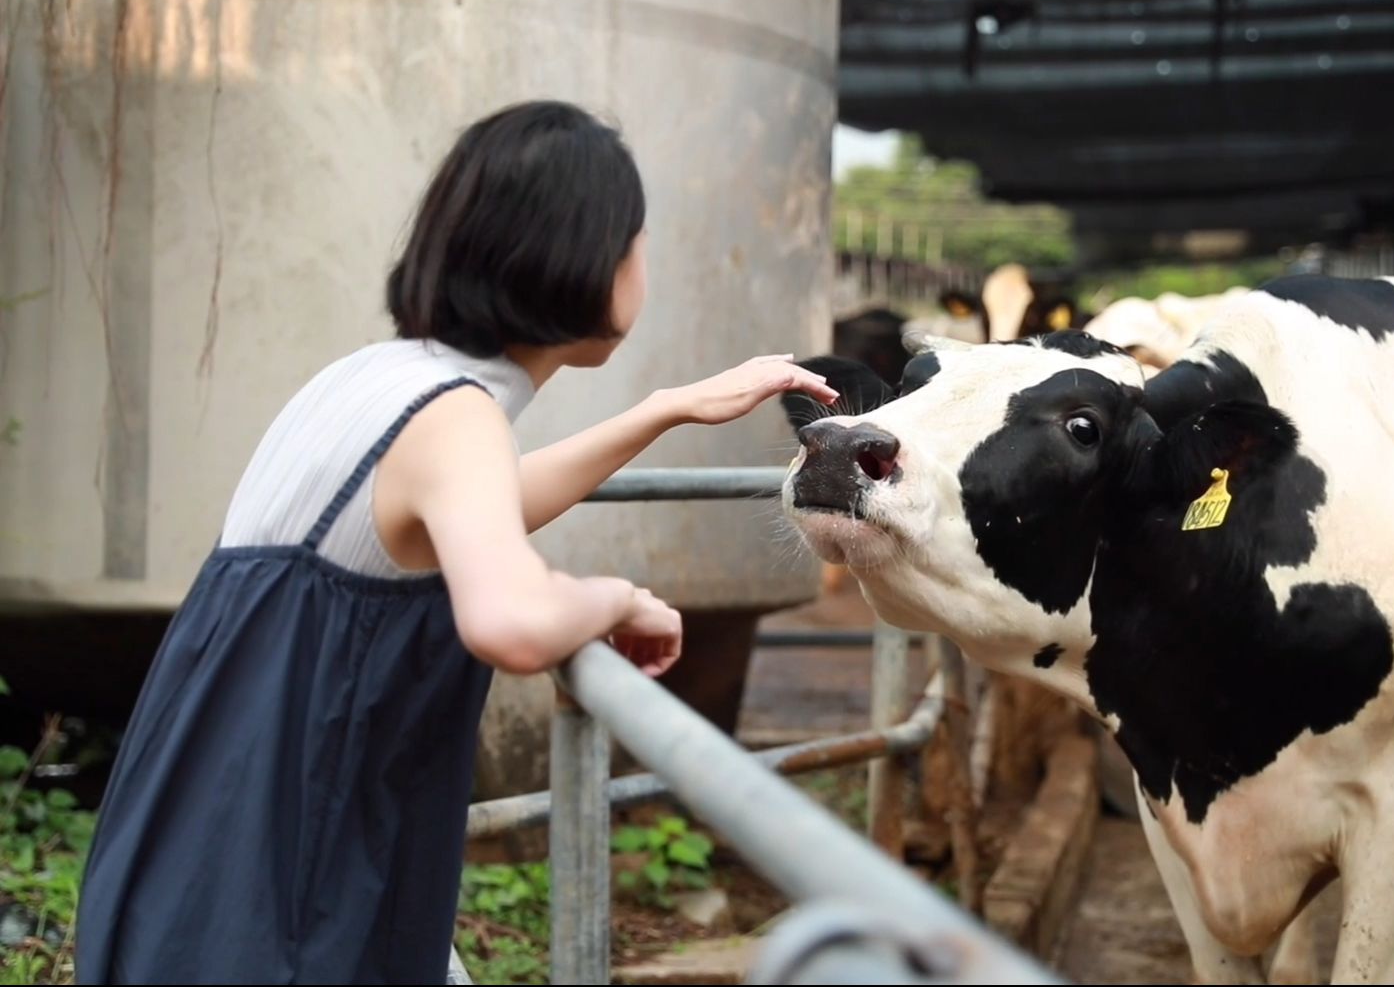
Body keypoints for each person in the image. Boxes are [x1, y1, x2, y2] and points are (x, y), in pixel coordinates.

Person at [73, 100, 838, 984]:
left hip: (202, 852)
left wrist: (663, 409)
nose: (644, 260)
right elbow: (509, 622)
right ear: (586, 256)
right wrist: (612, 601)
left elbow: (476, 506)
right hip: (283, 891)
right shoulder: (455, 417)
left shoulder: (377, 380)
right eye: (636, 236)